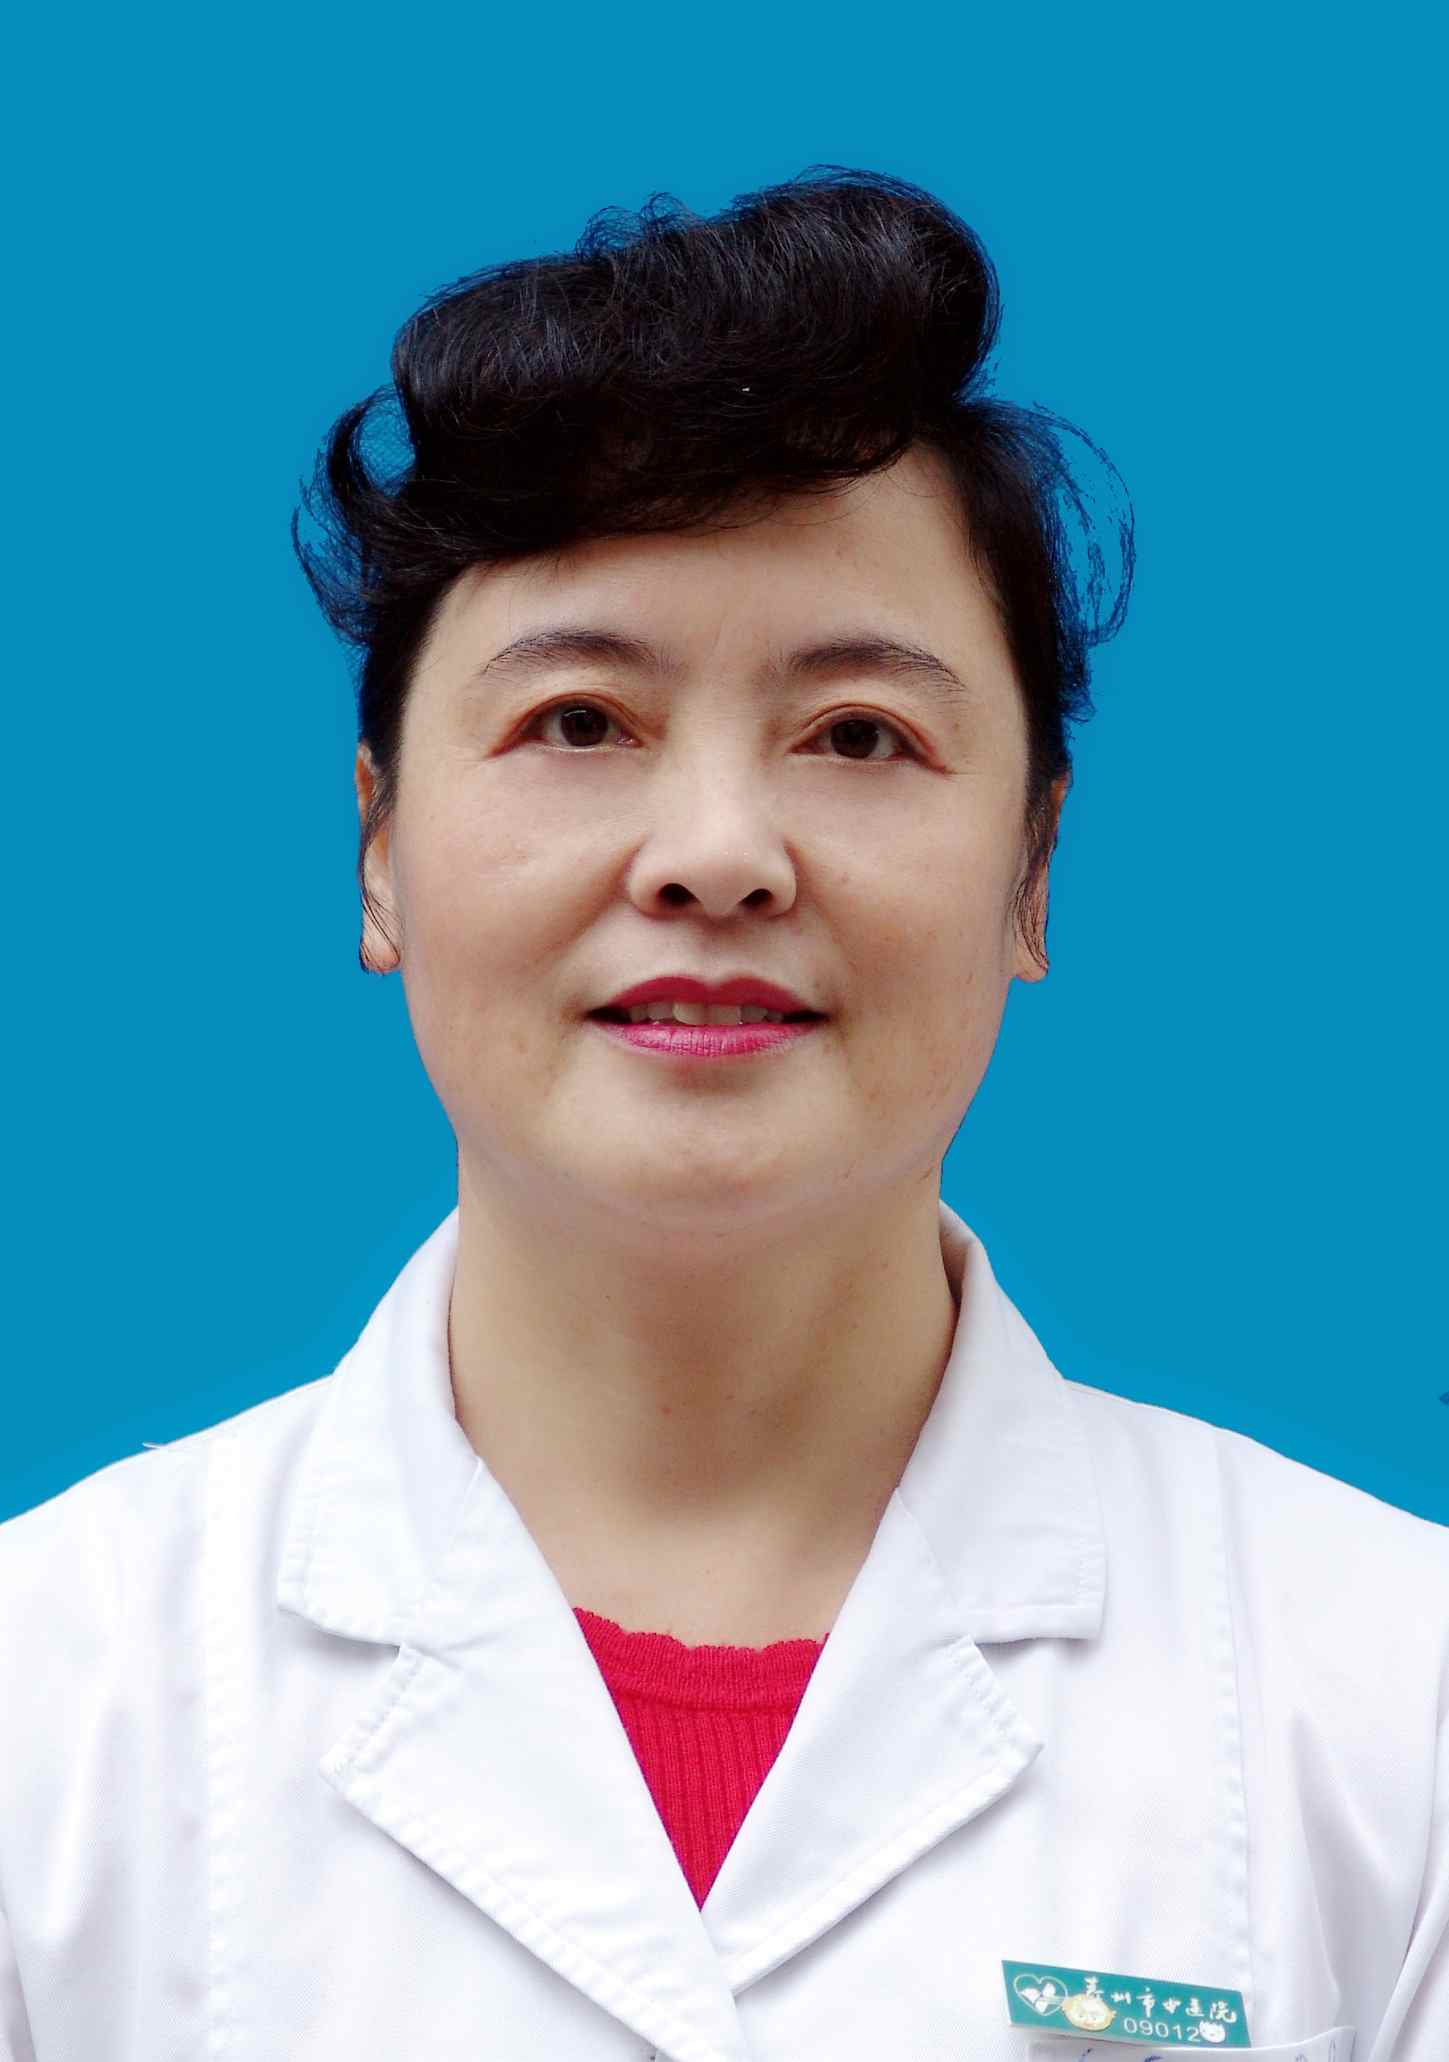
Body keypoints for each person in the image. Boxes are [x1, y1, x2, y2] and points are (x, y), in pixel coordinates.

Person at [0, 168, 1441, 2062]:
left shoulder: (1389, 1706)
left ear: (1030, 873)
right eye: (578, 722)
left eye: (856, 736)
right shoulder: (50, 1705)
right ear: (379, 850)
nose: (713, 855)